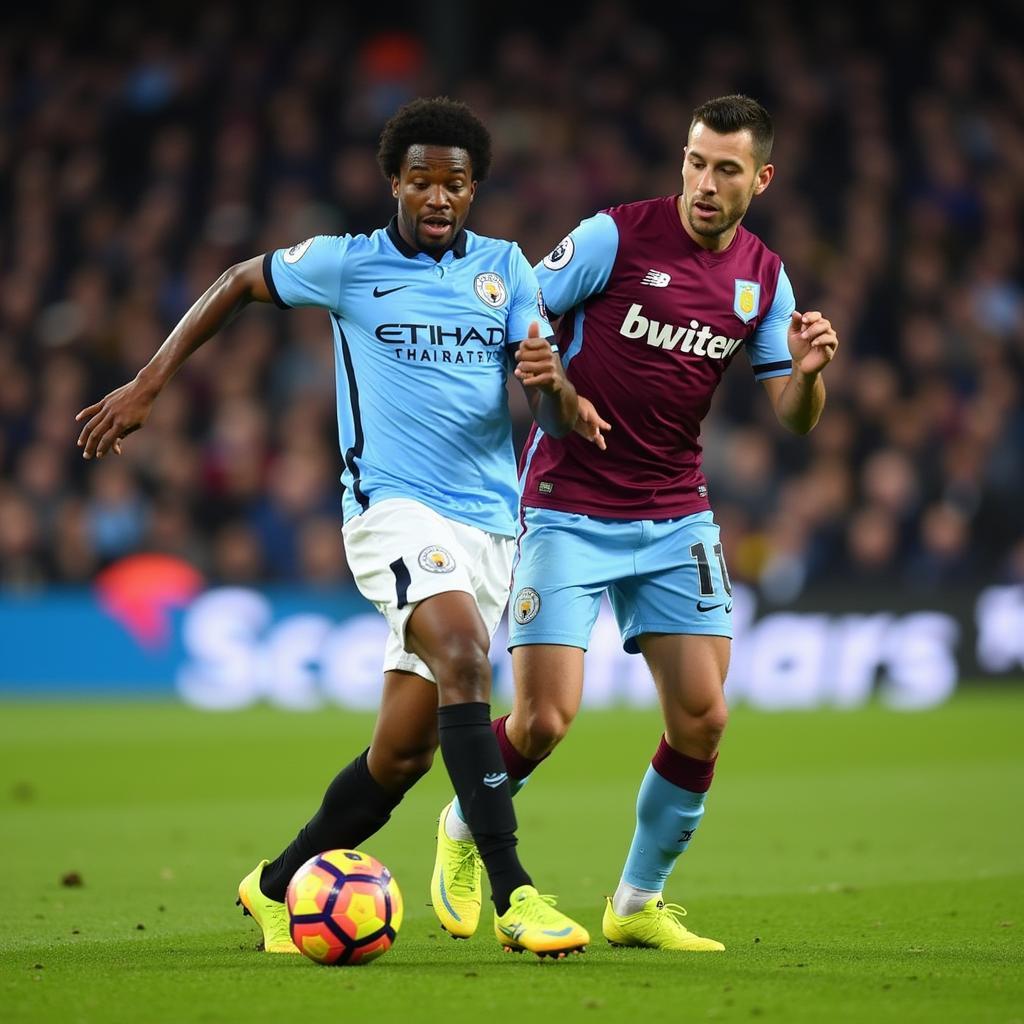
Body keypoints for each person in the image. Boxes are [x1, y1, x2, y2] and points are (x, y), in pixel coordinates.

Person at [75, 97, 592, 959]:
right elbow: (239, 280)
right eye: (421, 179)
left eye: (454, 184)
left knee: (402, 755)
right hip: (391, 511)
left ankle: (276, 885)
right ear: (393, 180)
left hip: (490, 528)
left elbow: (549, 405)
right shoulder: (347, 265)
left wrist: (551, 383)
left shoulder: (506, 270)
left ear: (475, 191)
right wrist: (150, 382)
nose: (437, 197)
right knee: (466, 656)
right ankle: (516, 892)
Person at [431, 94, 840, 952]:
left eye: (726, 169)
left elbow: (793, 416)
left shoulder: (764, 277)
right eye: (695, 161)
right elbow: (518, 311)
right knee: (543, 722)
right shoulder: (615, 236)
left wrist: (804, 376)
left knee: (704, 717)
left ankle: (636, 902)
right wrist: (550, 382)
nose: (704, 181)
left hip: (674, 514)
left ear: (759, 179)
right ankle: (465, 829)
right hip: (568, 509)